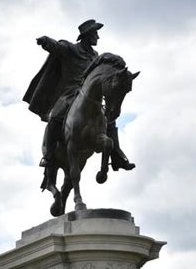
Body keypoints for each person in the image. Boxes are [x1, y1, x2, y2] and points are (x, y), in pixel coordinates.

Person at [23, 19, 135, 172]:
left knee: (110, 119)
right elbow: (56, 46)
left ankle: (116, 157)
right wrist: (45, 41)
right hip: (69, 94)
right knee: (55, 117)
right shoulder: (71, 49)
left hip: (91, 95)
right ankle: (48, 155)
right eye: (95, 33)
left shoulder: (95, 56)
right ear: (87, 35)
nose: (98, 37)